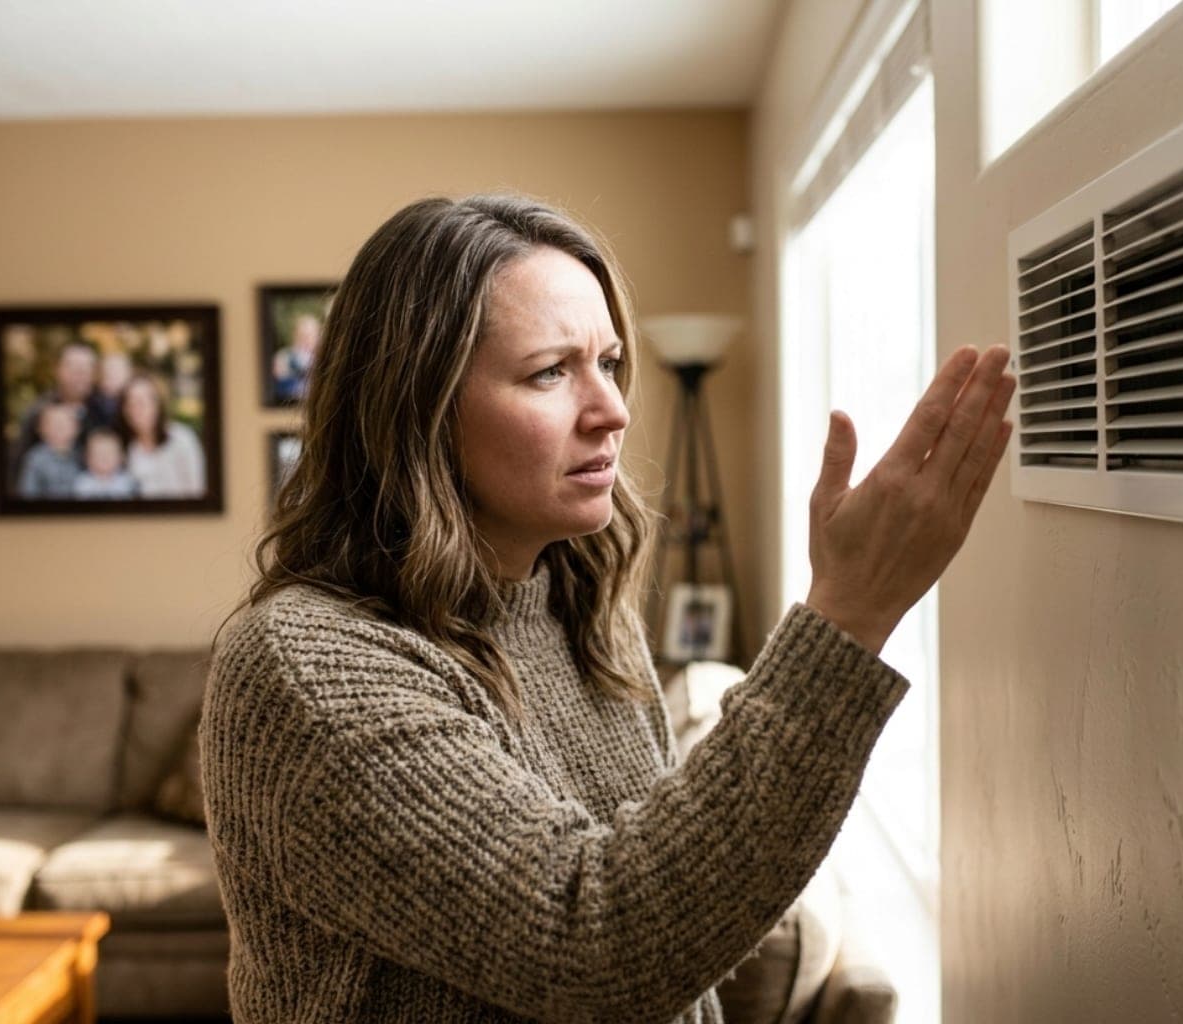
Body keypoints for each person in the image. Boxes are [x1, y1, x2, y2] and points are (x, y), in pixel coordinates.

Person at [202, 194, 1014, 1023]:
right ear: (418, 410)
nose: (614, 410)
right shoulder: (303, 666)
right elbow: (593, 947)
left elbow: (677, 950)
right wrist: (848, 616)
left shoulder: (574, 601)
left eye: (611, 362)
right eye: (551, 371)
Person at [10, 341, 114, 487]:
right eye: (73, 368)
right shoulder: (39, 411)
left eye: (86, 369)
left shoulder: (105, 411)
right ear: (58, 370)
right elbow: (18, 466)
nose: (80, 375)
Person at [117, 372, 206, 498]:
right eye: (129, 404)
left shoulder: (182, 438)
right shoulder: (126, 448)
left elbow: (197, 489)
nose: (135, 410)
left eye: (141, 402)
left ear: (158, 404)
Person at [17, 402, 82, 499]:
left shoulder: (82, 454)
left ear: (76, 428)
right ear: (41, 429)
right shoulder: (35, 458)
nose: (59, 428)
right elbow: (27, 491)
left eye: (65, 423)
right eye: (53, 424)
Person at [72, 427, 136, 499]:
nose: (104, 458)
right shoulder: (82, 484)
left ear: (121, 457)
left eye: (109, 453)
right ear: (87, 458)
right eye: (98, 453)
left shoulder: (127, 483)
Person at [271, 311, 320, 403]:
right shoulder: (282, 356)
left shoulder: (322, 359)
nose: (307, 339)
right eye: (303, 335)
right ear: (295, 335)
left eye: (311, 335)